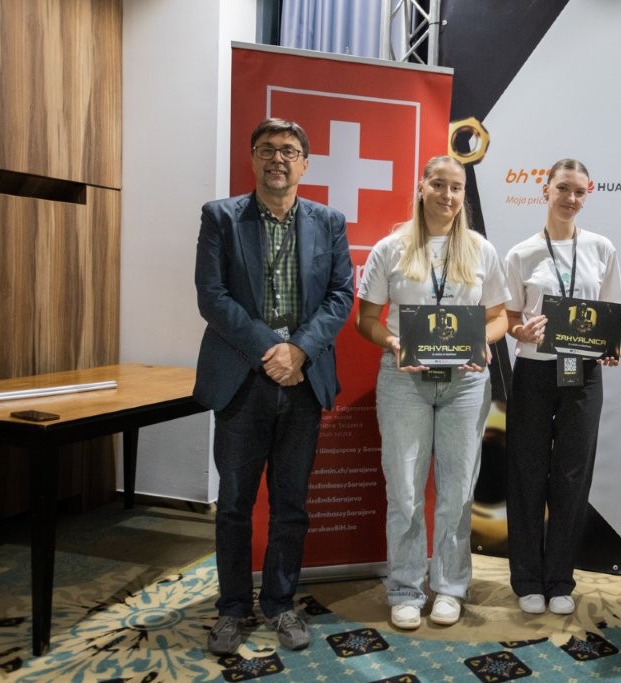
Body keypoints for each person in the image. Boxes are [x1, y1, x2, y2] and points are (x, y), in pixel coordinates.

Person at [194, 118, 354, 654]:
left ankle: (281, 603)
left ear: (305, 163)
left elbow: (340, 295)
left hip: (303, 381)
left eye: (288, 150)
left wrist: (300, 351)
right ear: (253, 158)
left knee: (291, 503)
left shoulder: (329, 221)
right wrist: (272, 350)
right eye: (266, 149)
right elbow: (212, 296)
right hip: (243, 378)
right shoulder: (221, 217)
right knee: (234, 504)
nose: (277, 159)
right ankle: (232, 608)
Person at [355, 155, 509, 630]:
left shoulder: (480, 250)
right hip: (405, 381)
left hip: (466, 384)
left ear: (464, 195)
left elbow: (499, 317)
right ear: (421, 187)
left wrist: (483, 343)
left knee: (457, 493)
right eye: (438, 184)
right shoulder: (391, 248)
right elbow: (366, 320)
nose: (447, 194)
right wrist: (394, 342)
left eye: (456, 187)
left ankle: (449, 587)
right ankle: (405, 587)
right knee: (404, 490)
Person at [503, 158, 621, 616]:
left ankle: (559, 580)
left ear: (586, 196)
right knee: (527, 473)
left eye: (579, 192)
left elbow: (610, 309)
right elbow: (509, 316)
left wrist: (611, 345)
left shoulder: (601, 248)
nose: (570, 199)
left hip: (583, 374)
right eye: (563, 189)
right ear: (546, 190)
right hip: (534, 371)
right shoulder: (522, 253)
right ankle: (527, 579)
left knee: (573, 476)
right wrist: (520, 331)